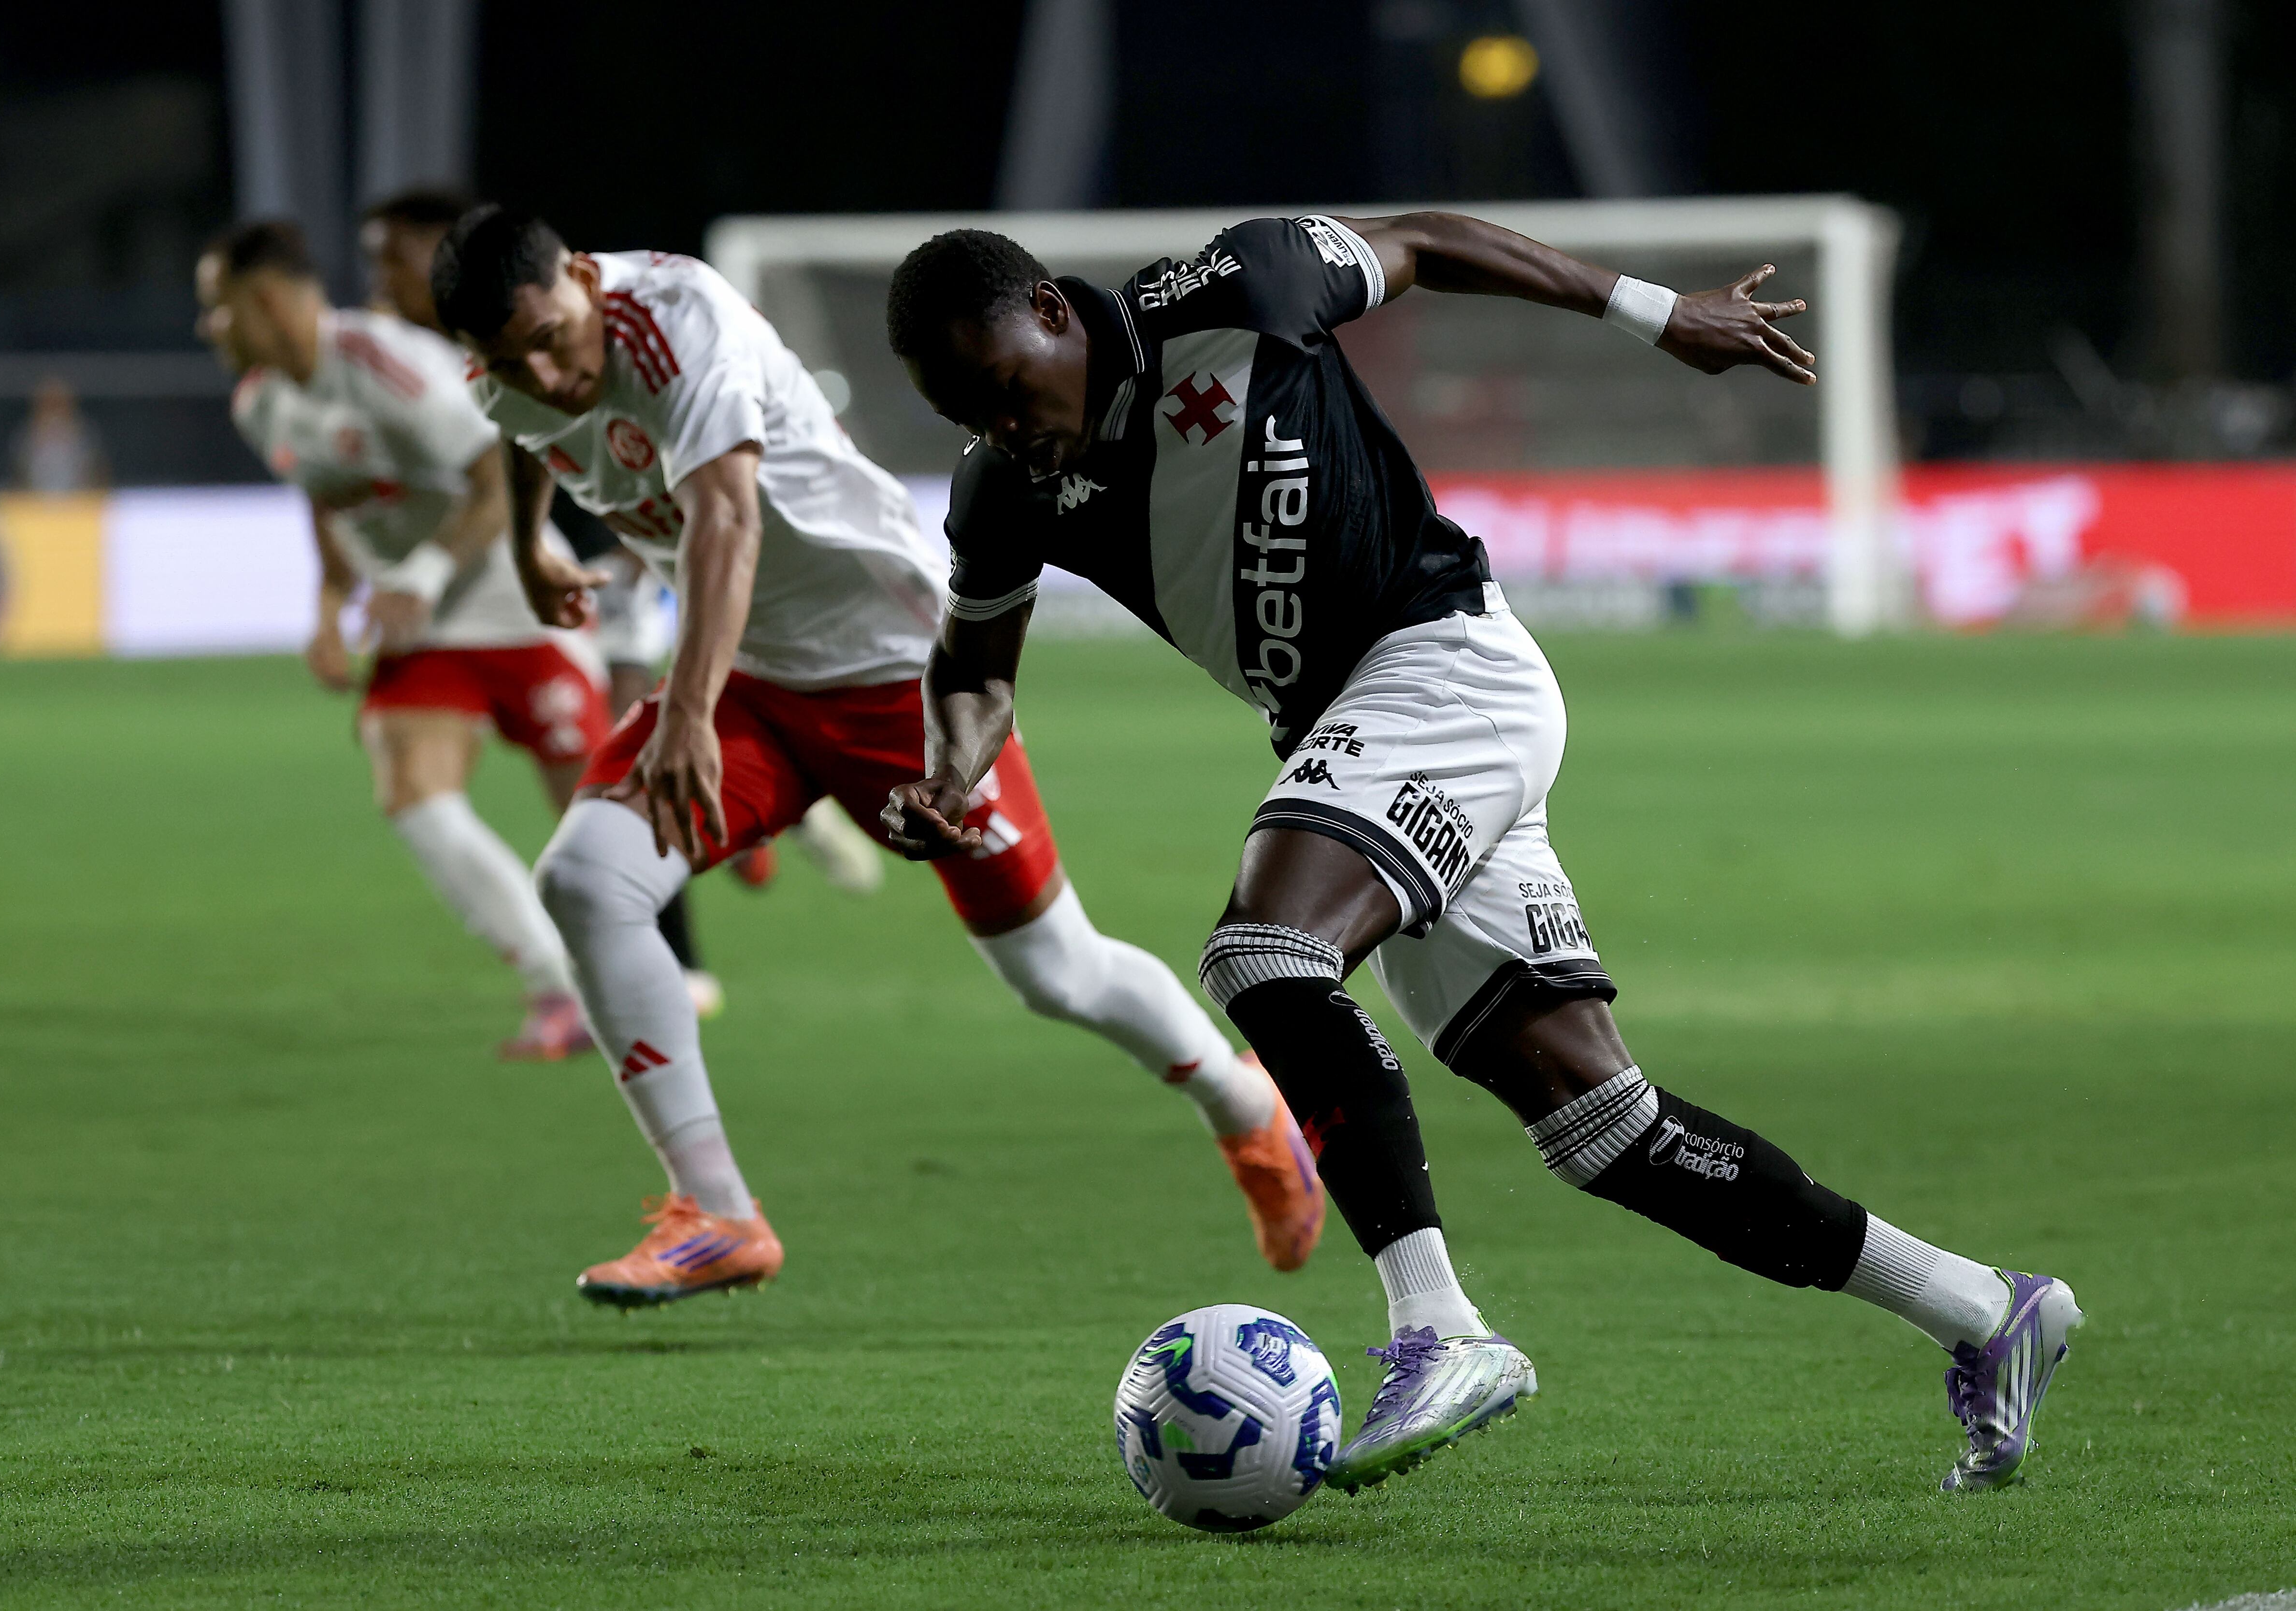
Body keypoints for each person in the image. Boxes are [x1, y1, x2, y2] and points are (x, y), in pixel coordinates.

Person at [883, 214, 2082, 1494]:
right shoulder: (1003, 490)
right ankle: (1982, 1305)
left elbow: (1428, 242)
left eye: (1003, 385)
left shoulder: (1238, 288)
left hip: (1441, 664)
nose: (1000, 423)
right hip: (1360, 735)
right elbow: (974, 667)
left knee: (1267, 950)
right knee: (1606, 1127)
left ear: (1052, 315)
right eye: (964, 411)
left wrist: (1656, 312)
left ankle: (1440, 1328)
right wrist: (952, 769)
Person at [428, 206, 1324, 1307]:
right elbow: (523, 424)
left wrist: (685, 711)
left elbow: (725, 522)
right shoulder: (507, 369)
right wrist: (529, 541)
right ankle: (716, 1212)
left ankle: (1248, 1109)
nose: (544, 374)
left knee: (1054, 970)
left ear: (580, 276)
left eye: (550, 339)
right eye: (509, 360)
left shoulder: (677, 321)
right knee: (584, 879)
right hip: (750, 675)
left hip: (900, 673)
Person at [360, 190, 883, 1020]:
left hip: (676, 545)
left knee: (649, 741)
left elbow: (714, 494)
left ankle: (734, 872)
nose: (383, 278)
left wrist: (632, 557)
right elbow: (508, 422)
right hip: (594, 556)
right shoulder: (465, 351)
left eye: (394, 257)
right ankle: (749, 842)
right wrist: (528, 546)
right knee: (629, 761)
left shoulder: (646, 324)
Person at [197, 218, 604, 1060]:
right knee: (412, 791)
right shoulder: (260, 402)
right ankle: (559, 987)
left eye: (218, 307)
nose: (209, 328)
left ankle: (759, 827)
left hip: (517, 597)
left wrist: (421, 571)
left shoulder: (384, 366)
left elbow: (500, 478)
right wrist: (327, 606)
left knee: (601, 825)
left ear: (265, 300)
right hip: (423, 624)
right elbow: (325, 499)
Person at [10, 376, 107, 493]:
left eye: (58, 403)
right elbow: (18, 477)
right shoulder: (26, 436)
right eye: (48, 402)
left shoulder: (85, 434)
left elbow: (98, 473)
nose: (54, 409)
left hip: (80, 500)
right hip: (34, 500)